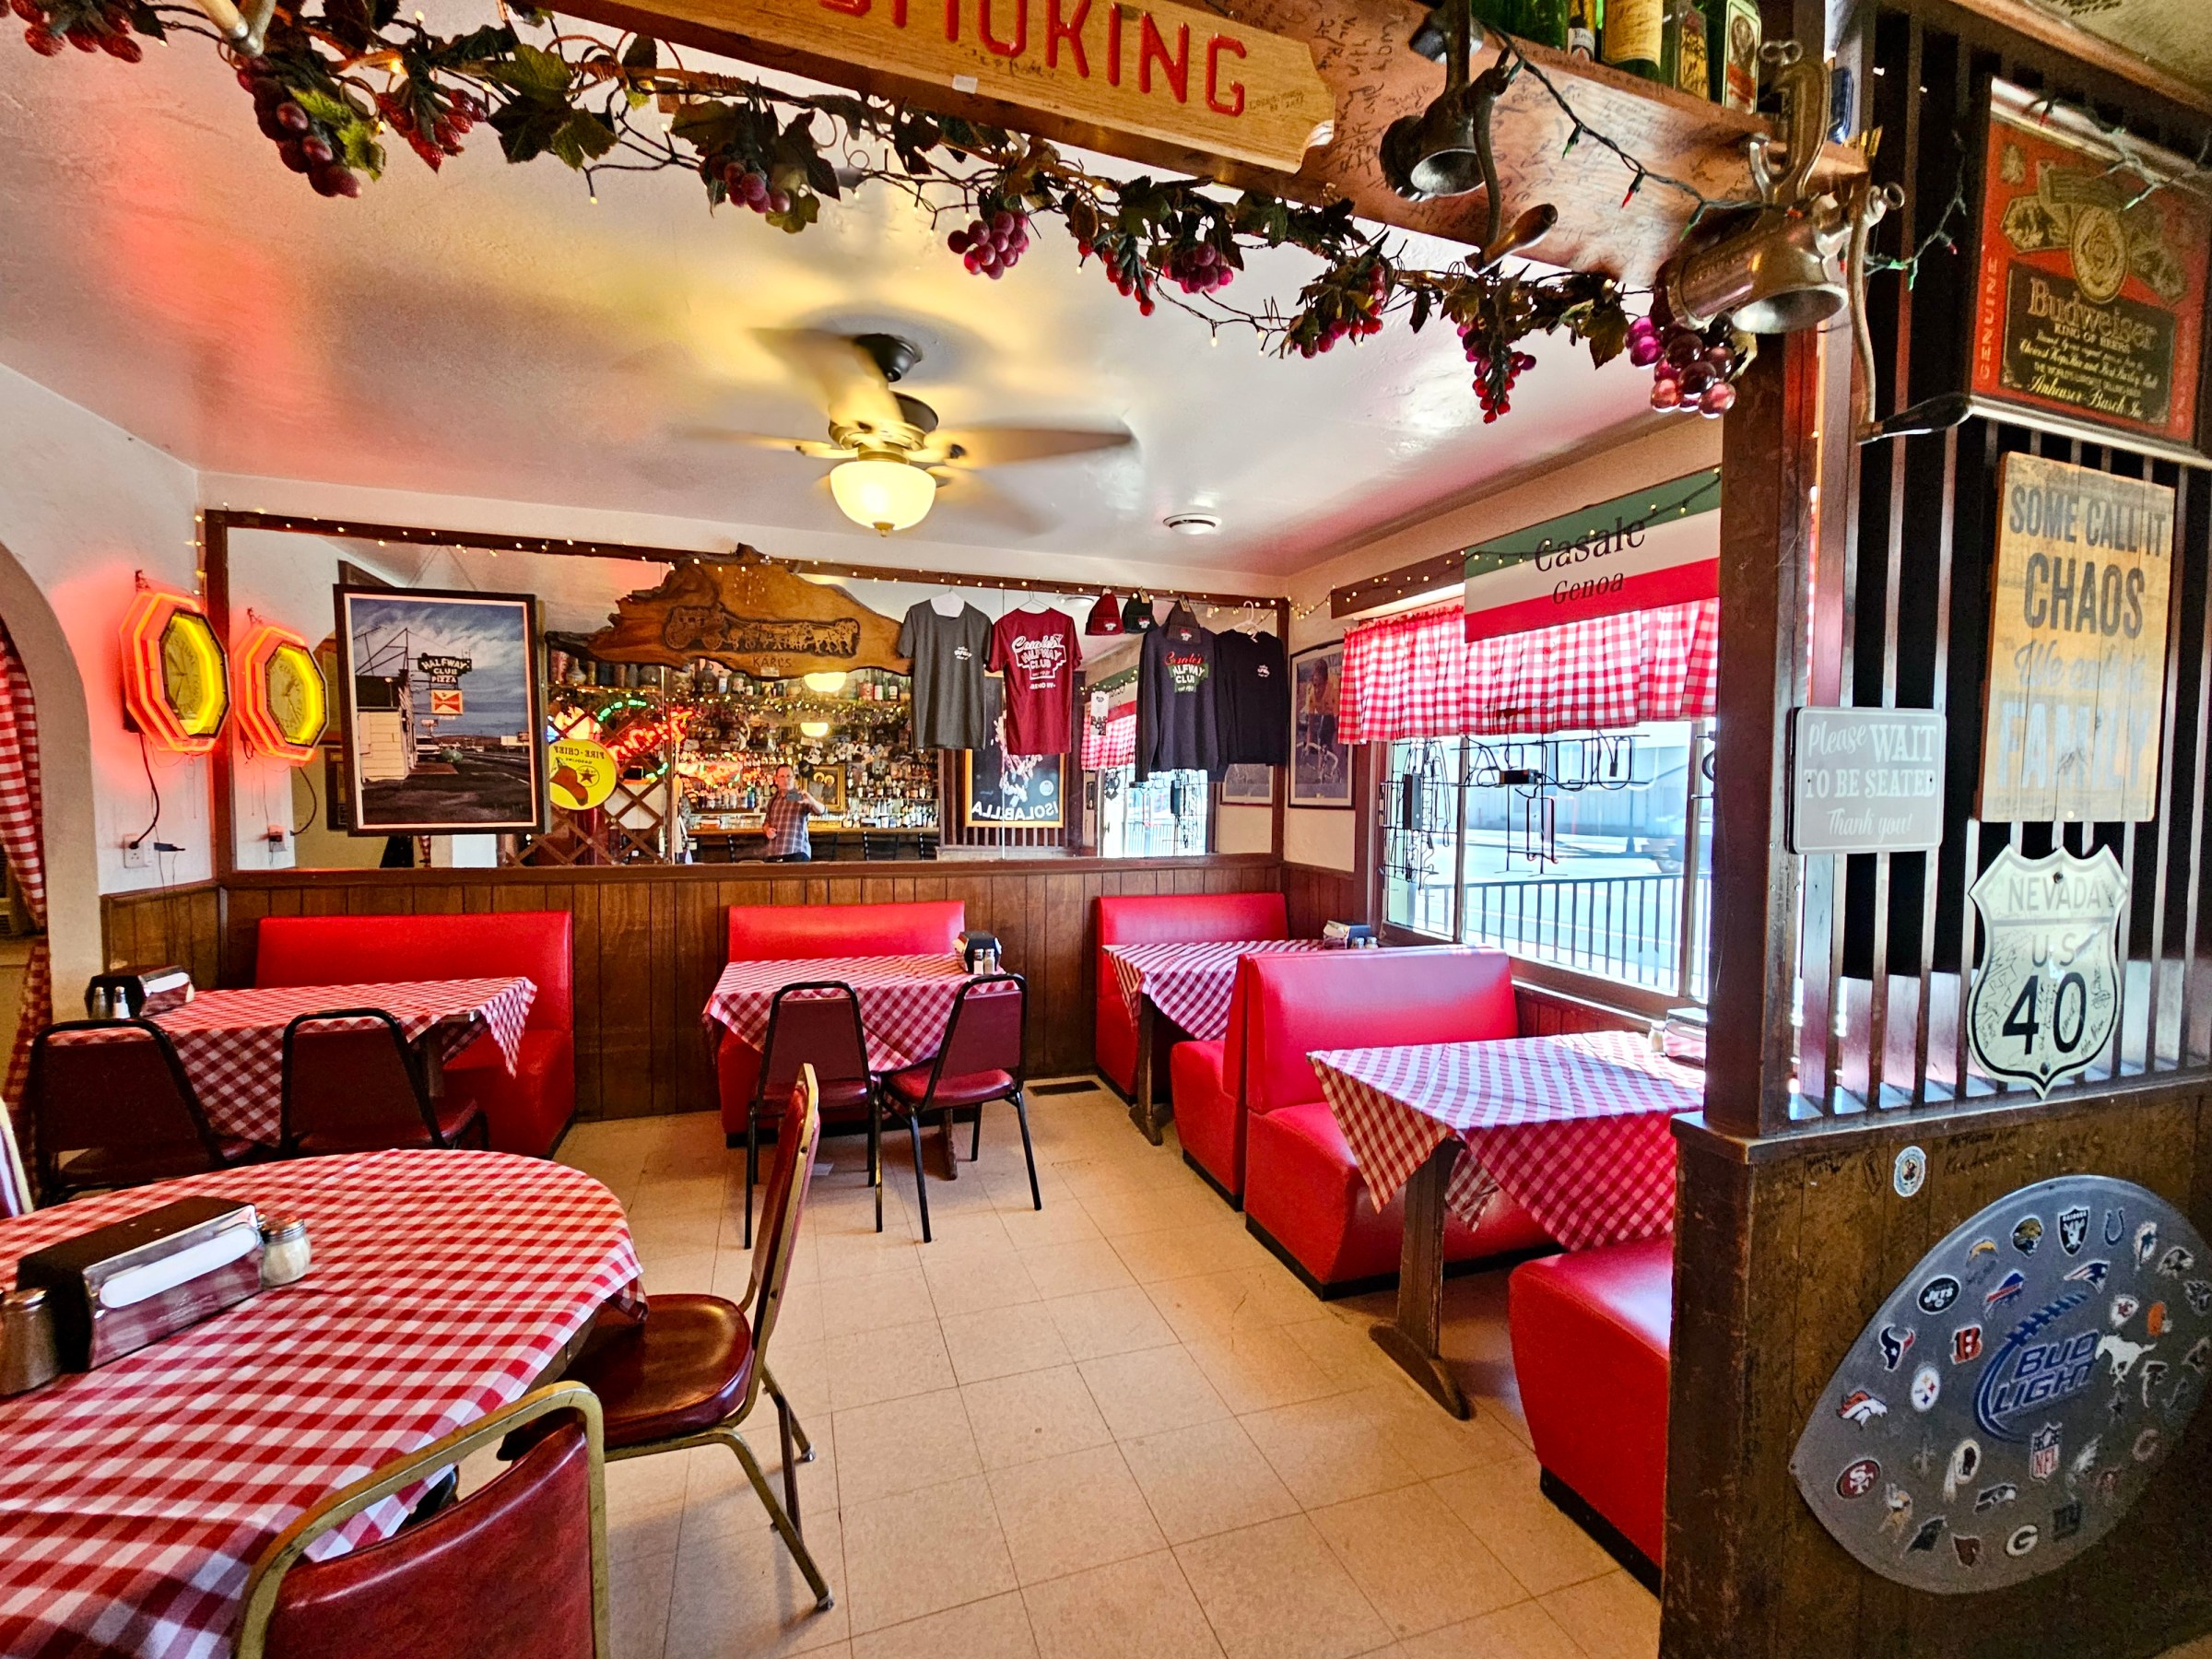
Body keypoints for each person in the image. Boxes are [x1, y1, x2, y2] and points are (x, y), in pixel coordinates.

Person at [761, 763, 827, 863]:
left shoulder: (800, 796)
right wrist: (767, 830)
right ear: (776, 779)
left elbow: (823, 811)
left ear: (794, 778)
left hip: (796, 852)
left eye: (788, 776)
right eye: (782, 777)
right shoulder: (774, 799)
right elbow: (766, 823)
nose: (786, 780)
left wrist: (812, 801)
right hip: (774, 853)